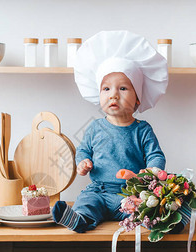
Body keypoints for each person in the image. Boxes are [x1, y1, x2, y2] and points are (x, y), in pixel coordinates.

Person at [52, 31, 188, 233]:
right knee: (86, 202)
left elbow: (155, 154)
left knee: (144, 210)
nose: (113, 94)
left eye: (123, 88)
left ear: (138, 99)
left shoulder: (142, 129)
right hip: (99, 190)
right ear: (99, 95)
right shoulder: (95, 127)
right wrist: (82, 162)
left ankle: (168, 222)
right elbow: (83, 150)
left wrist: (152, 170)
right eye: (106, 89)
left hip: (131, 192)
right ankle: (79, 219)